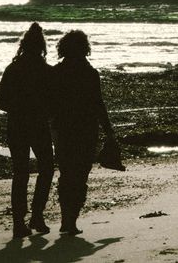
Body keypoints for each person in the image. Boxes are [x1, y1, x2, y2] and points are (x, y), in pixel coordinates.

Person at [49, 29, 117, 235]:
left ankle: (65, 219)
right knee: (80, 175)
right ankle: (71, 220)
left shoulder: (56, 72)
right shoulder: (89, 73)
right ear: (85, 48)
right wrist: (108, 130)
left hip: (62, 129)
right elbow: (98, 103)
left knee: (66, 173)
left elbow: (49, 103)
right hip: (86, 129)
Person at [0, 22, 54, 238]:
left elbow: (0, 100)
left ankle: (19, 222)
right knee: (46, 169)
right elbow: (55, 103)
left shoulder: (13, 69)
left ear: (23, 45)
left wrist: (18, 109)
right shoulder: (46, 71)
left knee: (20, 172)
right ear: (41, 47)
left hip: (17, 125)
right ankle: (37, 215)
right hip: (38, 125)